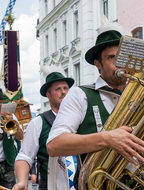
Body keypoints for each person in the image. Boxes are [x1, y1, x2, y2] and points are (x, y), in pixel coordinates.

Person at [46, 22, 144, 188]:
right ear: (98, 64)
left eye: (123, 57)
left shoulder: (140, 92)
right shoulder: (80, 94)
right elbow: (54, 145)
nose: (120, 63)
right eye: (112, 57)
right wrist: (106, 138)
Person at [12, 70, 74, 190]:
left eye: (66, 88)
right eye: (58, 89)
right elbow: (25, 156)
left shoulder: (82, 117)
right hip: (50, 185)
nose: (63, 92)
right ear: (48, 95)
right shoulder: (38, 122)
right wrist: (22, 182)